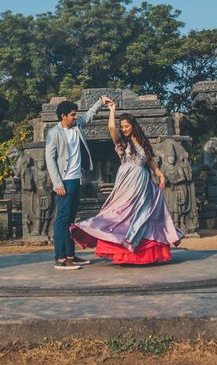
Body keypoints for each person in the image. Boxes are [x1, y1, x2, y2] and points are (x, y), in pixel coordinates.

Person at [70, 97, 183, 264]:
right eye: (122, 127)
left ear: (133, 126)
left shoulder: (143, 142)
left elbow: (149, 159)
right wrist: (112, 111)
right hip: (127, 181)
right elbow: (111, 128)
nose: (123, 129)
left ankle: (142, 253)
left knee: (144, 213)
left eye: (126, 126)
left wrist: (159, 173)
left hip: (142, 181)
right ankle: (119, 245)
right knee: (121, 212)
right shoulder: (122, 143)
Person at [45, 95, 106, 270]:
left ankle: (71, 255)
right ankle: (60, 258)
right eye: (72, 114)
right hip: (64, 181)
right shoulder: (53, 133)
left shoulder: (77, 125)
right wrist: (57, 184)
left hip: (76, 179)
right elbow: (50, 160)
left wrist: (101, 101)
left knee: (71, 220)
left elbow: (89, 115)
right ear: (63, 116)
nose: (75, 117)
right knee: (61, 220)